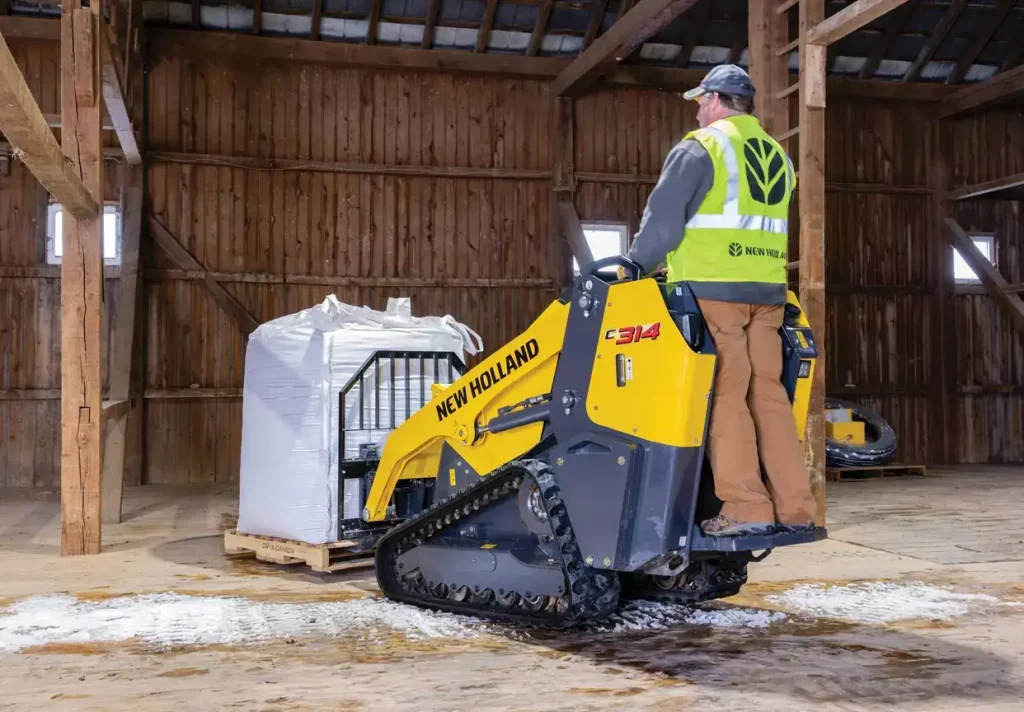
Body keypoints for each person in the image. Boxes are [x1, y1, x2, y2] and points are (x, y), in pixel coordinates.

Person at [618, 64, 815, 537]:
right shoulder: (778, 156)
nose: (697, 113)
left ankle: (746, 508)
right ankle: (795, 508)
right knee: (770, 398)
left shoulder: (702, 147)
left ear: (713, 100)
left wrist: (634, 267)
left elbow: (664, 221)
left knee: (726, 395)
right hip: (768, 294)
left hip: (713, 291)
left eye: (700, 103)